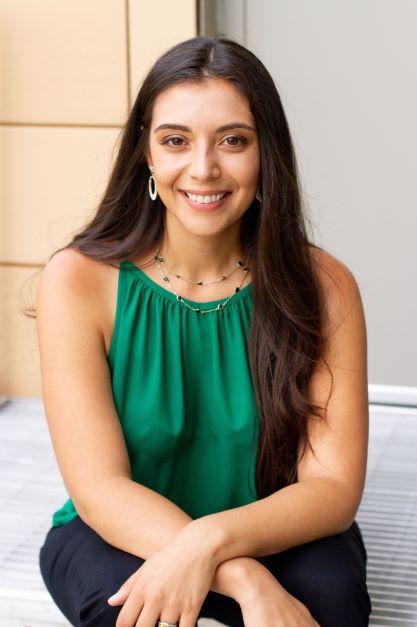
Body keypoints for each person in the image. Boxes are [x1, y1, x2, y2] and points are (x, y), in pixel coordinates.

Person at [35, 35, 372, 627]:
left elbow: (333, 485)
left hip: (277, 525)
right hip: (121, 531)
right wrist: (239, 575)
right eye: (175, 141)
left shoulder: (324, 284)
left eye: (233, 141)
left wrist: (215, 541)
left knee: (329, 611)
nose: (203, 168)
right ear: (146, 153)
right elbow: (100, 487)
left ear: (267, 152)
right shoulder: (78, 281)